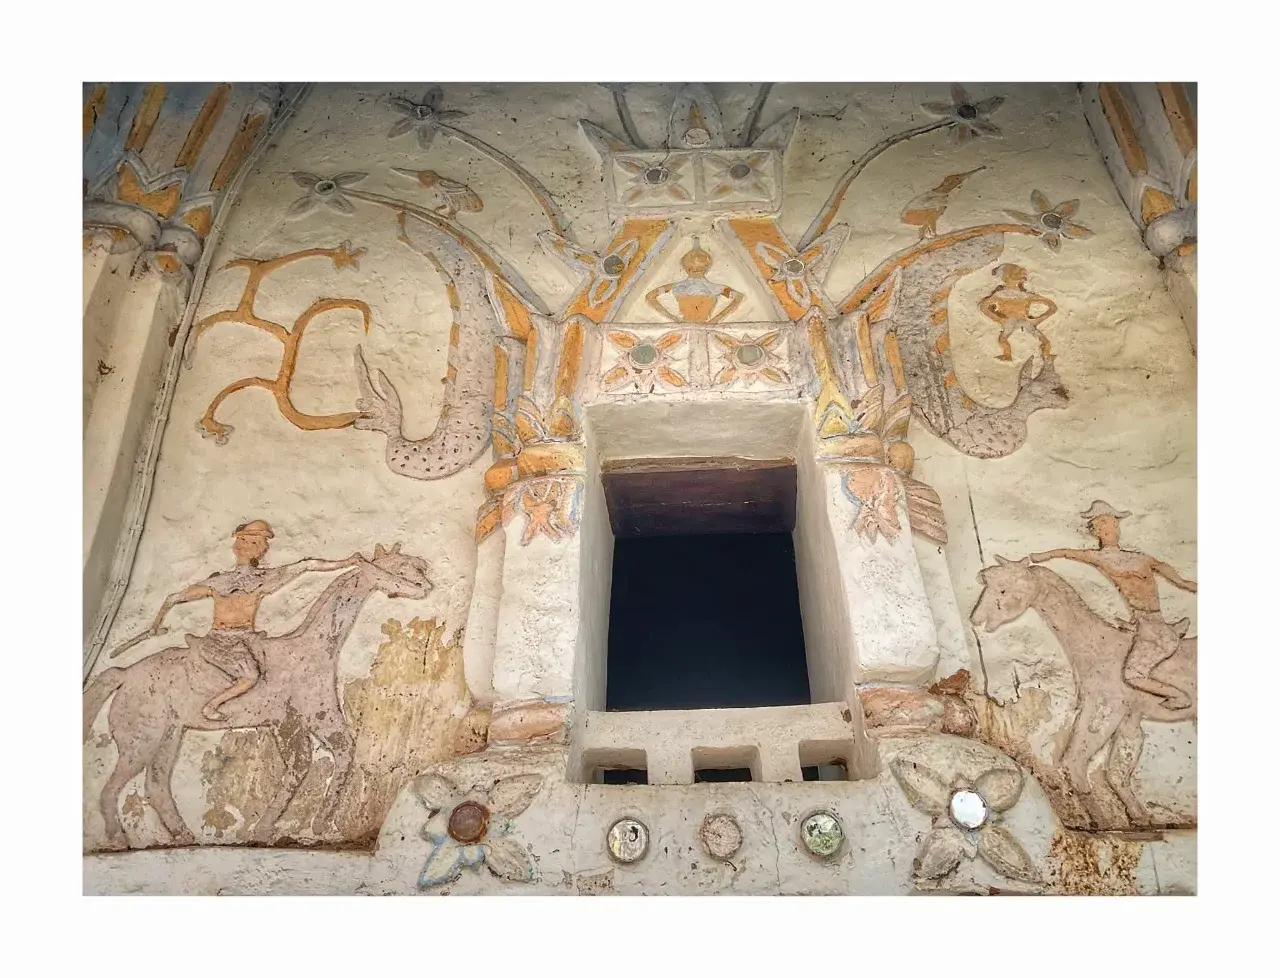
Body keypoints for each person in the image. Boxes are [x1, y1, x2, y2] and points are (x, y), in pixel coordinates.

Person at [147, 521, 362, 721]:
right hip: (219, 640)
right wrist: (154, 626)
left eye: (254, 543)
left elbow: (307, 565)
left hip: (246, 638)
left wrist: (347, 562)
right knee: (250, 675)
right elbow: (173, 598)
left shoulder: (260, 579)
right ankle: (211, 706)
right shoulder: (221, 581)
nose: (248, 547)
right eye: (246, 542)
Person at [1031, 501, 1196, 709]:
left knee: (1133, 675)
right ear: (1098, 530)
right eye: (1107, 523)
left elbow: (1183, 582)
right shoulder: (1106, 557)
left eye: (1113, 523)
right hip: (1143, 625)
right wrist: (1042, 556)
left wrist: (1043, 556)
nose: (1113, 528)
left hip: (1153, 630)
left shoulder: (1139, 558)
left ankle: (1179, 696)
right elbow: (1066, 552)